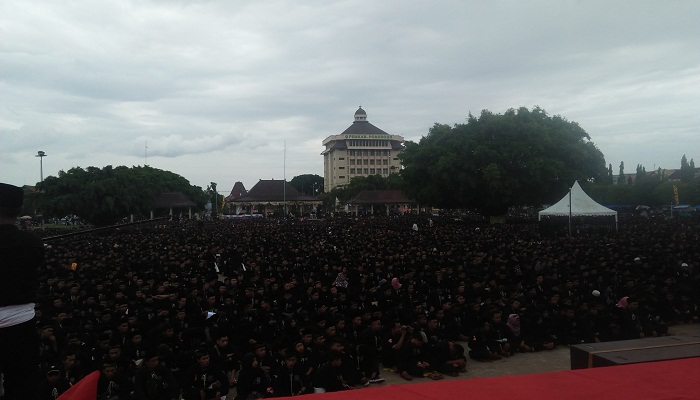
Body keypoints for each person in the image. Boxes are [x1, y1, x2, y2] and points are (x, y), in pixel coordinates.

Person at [0, 183, 44, 399]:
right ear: (18, 210)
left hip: (20, 320)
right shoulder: (32, 243)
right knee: (21, 387)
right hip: (21, 327)